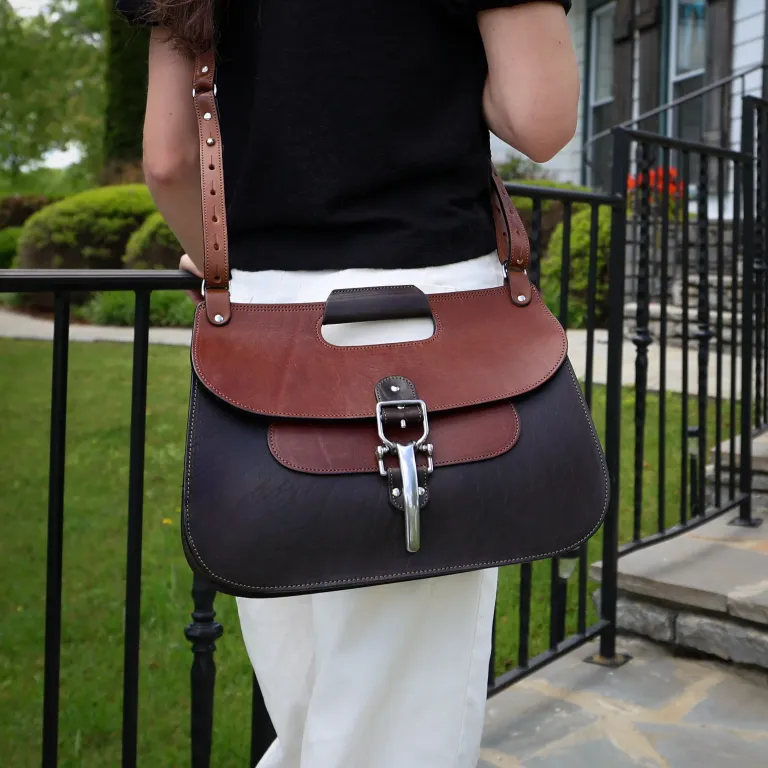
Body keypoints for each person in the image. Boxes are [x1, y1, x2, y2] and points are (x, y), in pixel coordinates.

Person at [117, 2, 578, 766]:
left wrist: (227, 263)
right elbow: (539, 114)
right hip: (432, 326)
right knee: (400, 720)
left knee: (308, 710)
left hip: (267, 333)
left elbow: (168, 159)